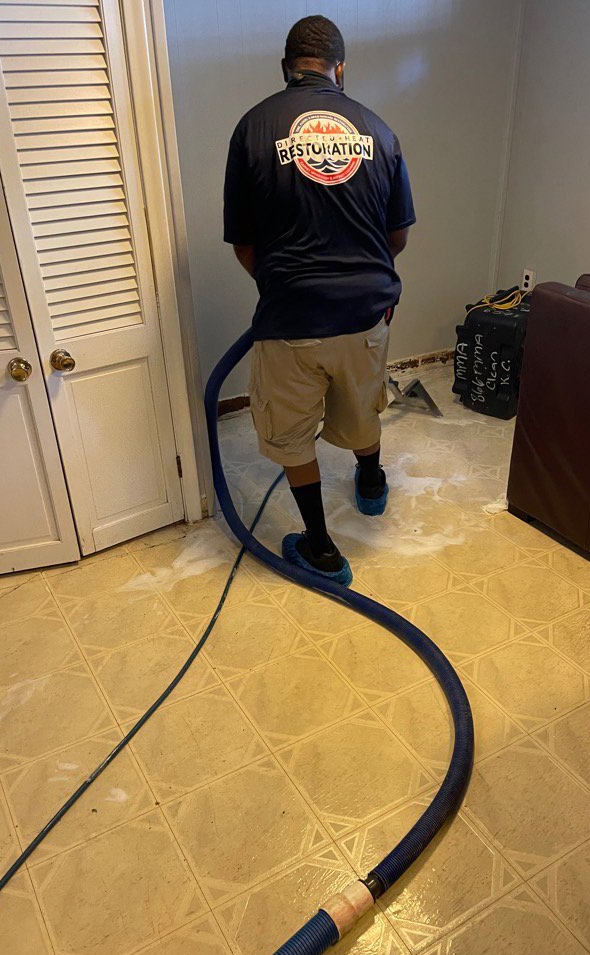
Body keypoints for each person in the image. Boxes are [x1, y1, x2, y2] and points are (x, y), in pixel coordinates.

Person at [223, 14, 415, 586]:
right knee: (362, 404)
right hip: (367, 313)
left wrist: (286, 286)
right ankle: (373, 481)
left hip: (292, 319)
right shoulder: (379, 130)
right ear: (340, 68)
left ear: (286, 68)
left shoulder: (254, 128)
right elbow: (398, 234)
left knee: (291, 433)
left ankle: (323, 549)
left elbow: (244, 242)